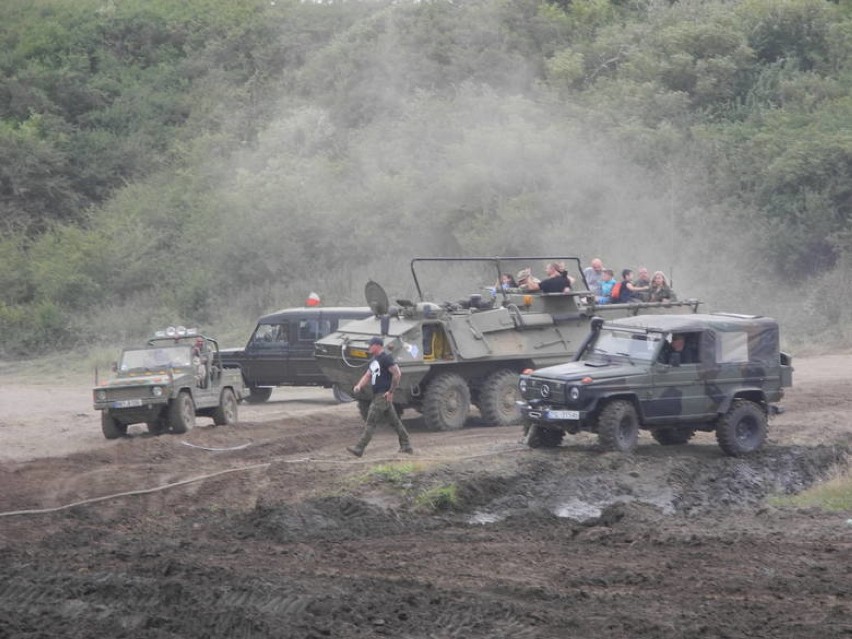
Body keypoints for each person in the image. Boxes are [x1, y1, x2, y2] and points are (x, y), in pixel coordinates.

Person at [348, 336, 413, 457]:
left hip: (382, 396)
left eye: (370, 345)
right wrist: (358, 386)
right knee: (395, 422)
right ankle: (406, 445)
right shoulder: (375, 360)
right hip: (380, 395)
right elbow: (367, 375)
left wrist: (391, 391)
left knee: (371, 422)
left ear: (377, 346)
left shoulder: (385, 358)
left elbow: (397, 373)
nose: (369, 347)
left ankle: (359, 448)